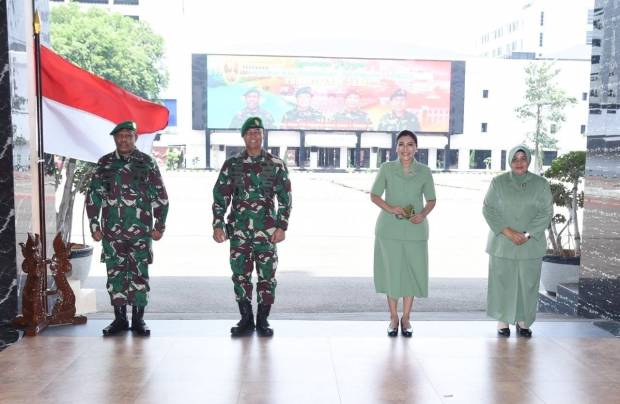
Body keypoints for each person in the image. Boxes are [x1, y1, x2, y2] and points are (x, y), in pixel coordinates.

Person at [86, 120, 169, 337]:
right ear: (114, 138)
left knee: (139, 274)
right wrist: (94, 225)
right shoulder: (104, 163)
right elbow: (94, 196)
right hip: (112, 232)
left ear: (135, 138)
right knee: (115, 274)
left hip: (140, 231)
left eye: (128, 136)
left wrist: (160, 225)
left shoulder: (147, 163)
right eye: (120, 136)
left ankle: (138, 320)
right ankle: (120, 319)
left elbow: (161, 196)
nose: (124, 139)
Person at [212, 117, 292, 337]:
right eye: (250, 133)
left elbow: (285, 198)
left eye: (257, 132)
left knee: (267, 277)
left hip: (267, 233)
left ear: (263, 135)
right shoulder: (232, 164)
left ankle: (263, 320)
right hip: (239, 232)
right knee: (241, 276)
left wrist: (282, 226)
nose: (254, 136)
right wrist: (218, 224)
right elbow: (220, 196)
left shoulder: (275, 164)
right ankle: (246, 319)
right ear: (243, 136)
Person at [370, 130, 436, 337]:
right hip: (389, 230)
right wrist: (391, 209)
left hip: (416, 230)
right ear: (396, 147)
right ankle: (392, 317)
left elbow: (431, 200)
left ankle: (406, 318)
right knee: (392, 274)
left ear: (416, 148)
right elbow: (374, 195)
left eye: (410, 144)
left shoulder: (424, 171)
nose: (405, 149)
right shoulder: (387, 169)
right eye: (401, 144)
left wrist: (423, 214)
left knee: (410, 274)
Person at [482, 145, 553, 337]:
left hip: (530, 243)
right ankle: (502, 320)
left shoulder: (541, 184)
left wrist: (527, 234)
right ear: (510, 161)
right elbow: (488, 209)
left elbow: (546, 212)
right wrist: (508, 232)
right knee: (502, 282)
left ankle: (523, 321)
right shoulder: (498, 182)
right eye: (515, 159)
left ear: (528, 160)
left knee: (527, 284)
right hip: (502, 243)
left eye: (523, 158)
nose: (519, 162)